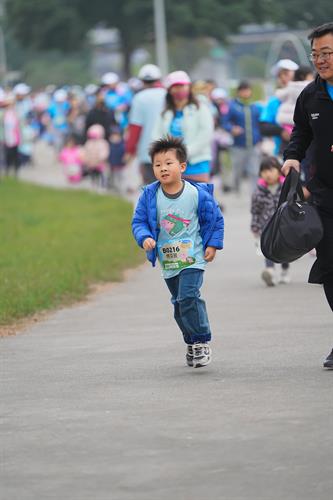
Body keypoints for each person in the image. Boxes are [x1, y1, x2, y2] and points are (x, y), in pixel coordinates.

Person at [132, 136, 224, 368]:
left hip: (193, 257)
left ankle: (202, 341)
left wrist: (212, 244)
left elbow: (215, 220)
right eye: (157, 164)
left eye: (168, 163)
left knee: (188, 296)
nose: (163, 168)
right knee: (179, 304)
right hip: (169, 261)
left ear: (182, 166)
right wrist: (145, 238)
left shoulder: (196, 193)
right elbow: (139, 221)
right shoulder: (149, 196)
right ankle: (191, 342)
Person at [282, 22, 333, 369]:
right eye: (315, 54)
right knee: (329, 266)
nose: (320, 60)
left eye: (326, 53)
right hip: (325, 194)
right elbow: (301, 130)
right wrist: (292, 155)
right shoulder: (310, 95)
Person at [153, 71, 214, 183]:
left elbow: (205, 134)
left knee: (199, 197)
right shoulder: (164, 113)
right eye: (175, 86)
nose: (179, 89)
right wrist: (166, 155)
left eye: (182, 86)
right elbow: (156, 135)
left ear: (189, 87)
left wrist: (184, 153)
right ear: (169, 90)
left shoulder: (200, 109)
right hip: (171, 165)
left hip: (197, 163)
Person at [251, 156, 290, 286]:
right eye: (264, 171)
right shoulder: (258, 192)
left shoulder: (285, 188)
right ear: (260, 174)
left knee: (283, 250)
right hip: (266, 227)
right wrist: (255, 226)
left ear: (279, 171)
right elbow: (255, 211)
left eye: (271, 170)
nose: (268, 174)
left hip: (283, 226)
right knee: (267, 249)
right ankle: (270, 271)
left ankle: (284, 271)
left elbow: (292, 205)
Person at [125, 64, 166, 185]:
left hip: (147, 151)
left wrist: (130, 150)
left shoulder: (139, 98)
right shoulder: (166, 95)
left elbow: (135, 128)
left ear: (142, 81)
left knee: (151, 188)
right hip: (168, 149)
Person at [223, 81, 262, 192]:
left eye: (247, 90)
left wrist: (260, 139)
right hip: (238, 145)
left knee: (254, 170)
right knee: (237, 169)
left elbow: (259, 125)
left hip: (253, 144)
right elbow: (225, 122)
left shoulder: (254, 107)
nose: (245, 93)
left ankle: (255, 192)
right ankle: (236, 189)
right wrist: (232, 129)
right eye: (243, 90)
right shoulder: (233, 106)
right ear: (239, 92)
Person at [260, 59, 299, 157]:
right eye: (279, 75)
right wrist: (281, 131)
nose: (282, 78)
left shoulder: (306, 96)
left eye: (286, 74)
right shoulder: (274, 101)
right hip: (282, 152)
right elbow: (263, 126)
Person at [108, 126, 126, 194]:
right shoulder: (110, 145)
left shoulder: (123, 146)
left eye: (116, 136)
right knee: (112, 178)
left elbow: (124, 156)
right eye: (113, 135)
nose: (114, 138)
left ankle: (120, 190)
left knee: (120, 179)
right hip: (112, 166)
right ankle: (113, 188)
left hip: (120, 166)